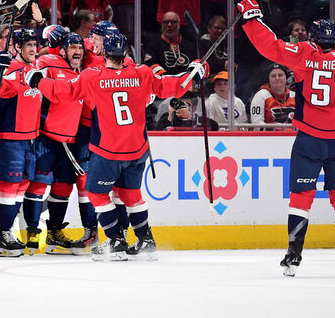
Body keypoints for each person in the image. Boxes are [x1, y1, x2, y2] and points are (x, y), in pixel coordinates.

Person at [237, 0, 335, 277]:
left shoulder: (304, 54)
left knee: (301, 197)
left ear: (314, 39)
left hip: (310, 138)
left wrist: (251, 18)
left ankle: (293, 256)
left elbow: (271, 46)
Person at [25, 32, 208, 260]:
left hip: (108, 150)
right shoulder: (142, 72)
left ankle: (115, 241)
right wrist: (194, 73)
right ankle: (145, 240)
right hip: (137, 148)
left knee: (96, 192)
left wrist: (37, 80)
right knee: (131, 193)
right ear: (125, 53)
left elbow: (65, 92)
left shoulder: (93, 75)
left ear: (105, 54)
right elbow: (171, 86)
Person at [22, 32, 98, 255]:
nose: (77, 51)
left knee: (62, 187)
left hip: (69, 141)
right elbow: (32, 67)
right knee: (37, 185)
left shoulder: (82, 72)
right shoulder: (49, 62)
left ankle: (54, 234)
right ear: (62, 50)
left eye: (80, 48)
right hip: (45, 137)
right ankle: (32, 236)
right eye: (72, 47)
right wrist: (46, 32)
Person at [0, 28, 42, 257]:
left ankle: (7, 232)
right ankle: (2, 236)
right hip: (10, 136)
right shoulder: (10, 69)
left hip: (30, 137)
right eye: (28, 45)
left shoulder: (33, 70)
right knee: (9, 187)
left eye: (34, 45)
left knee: (23, 185)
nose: (33, 49)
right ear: (17, 47)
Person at [143, 11, 196, 76]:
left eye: (173, 22)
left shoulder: (190, 46)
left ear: (179, 25)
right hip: (163, 82)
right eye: (166, 22)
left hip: (186, 83)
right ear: (162, 25)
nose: (169, 25)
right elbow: (149, 63)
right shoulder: (153, 44)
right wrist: (166, 78)